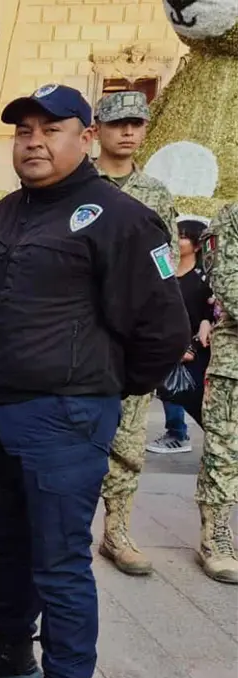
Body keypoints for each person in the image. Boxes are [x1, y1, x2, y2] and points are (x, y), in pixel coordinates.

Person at [0, 84, 189, 678]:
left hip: (64, 419)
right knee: (7, 545)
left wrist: (101, 389)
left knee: (60, 559)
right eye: (24, 131)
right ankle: (12, 653)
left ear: (86, 137)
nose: (34, 141)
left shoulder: (123, 218)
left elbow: (166, 332)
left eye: (51, 129)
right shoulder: (1, 216)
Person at [91, 90, 181, 578]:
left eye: (136, 124)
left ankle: (117, 530)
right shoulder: (77, 184)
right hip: (81, 335)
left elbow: (163, 263)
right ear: (97, 128)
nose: (127, 132)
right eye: (117, 123)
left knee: (127, 440)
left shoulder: (156, 195)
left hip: (130, 341)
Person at [192, 204, 238, 583]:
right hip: (234, 361)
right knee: (225, 451)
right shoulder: (231, 218)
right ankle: (215, 536)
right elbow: (228, 283)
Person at [151, 217, 213, 447]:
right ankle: (176, 433)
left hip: (197, 349)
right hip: (167, 345)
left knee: (197, 400)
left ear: (197, 245)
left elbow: (211, 314)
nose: (177, 241)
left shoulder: (204, 277)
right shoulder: (163, 270)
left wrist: (193, 345)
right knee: (170, 391)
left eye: (183, 237)